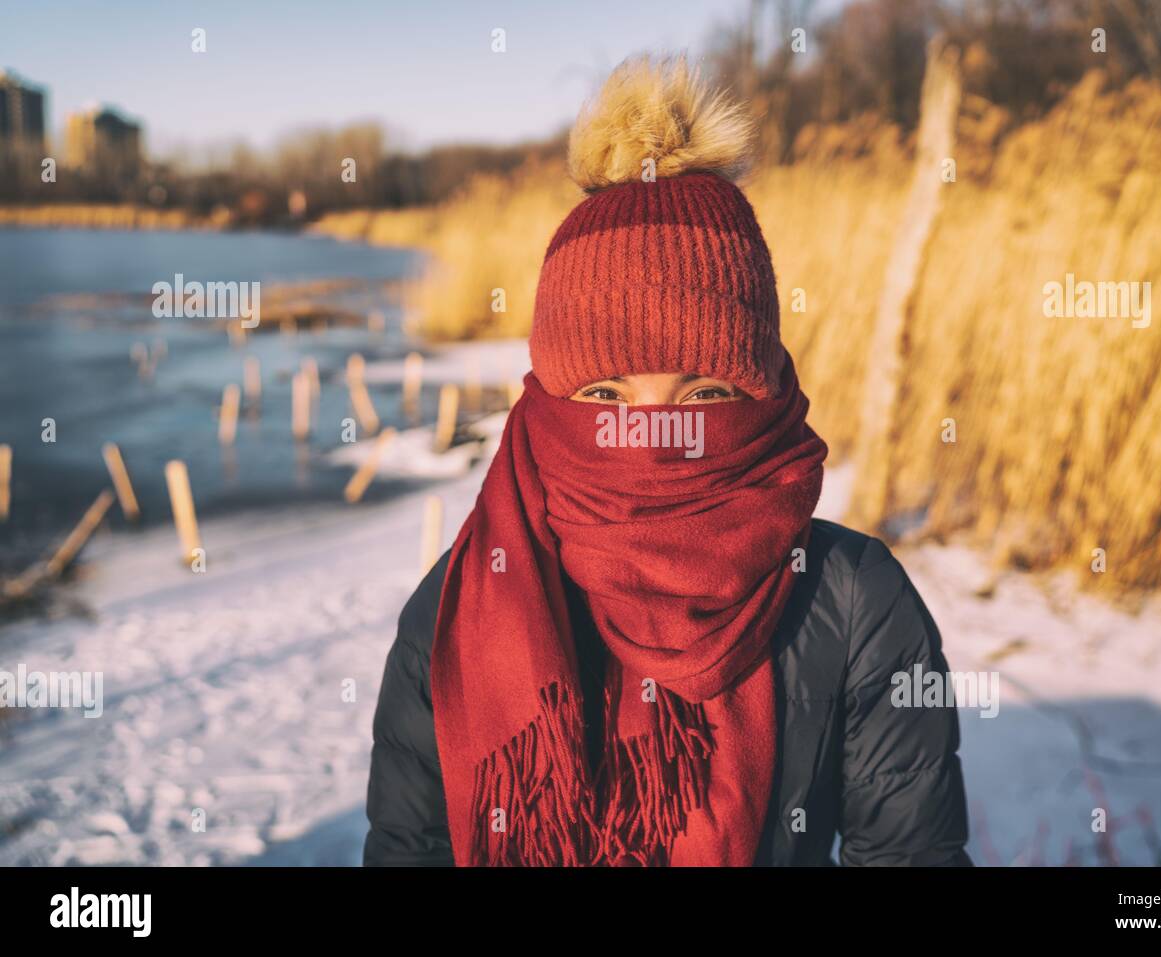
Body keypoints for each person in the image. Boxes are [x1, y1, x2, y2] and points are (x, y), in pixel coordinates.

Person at [363, 55, 972, 867]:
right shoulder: (457, 609)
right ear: (548, 404)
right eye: (607, 397)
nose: (651, 436)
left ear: (762, 398)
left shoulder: (854, 603)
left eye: (704, 393)